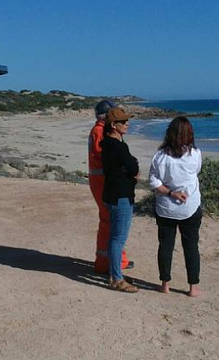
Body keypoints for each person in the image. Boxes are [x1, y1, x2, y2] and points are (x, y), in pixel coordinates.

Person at [148, 116, 203, 297]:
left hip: (166, 207)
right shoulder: (195, 154)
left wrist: (170, 192)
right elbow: (196, 171)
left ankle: (165, 284)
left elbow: (153, 181)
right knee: (191, 246)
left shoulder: (160, 155)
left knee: (165, 245)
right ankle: (193, 287)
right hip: (190, 205)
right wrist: (177, 192)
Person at [88, 100, 131, 275]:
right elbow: (107, 156)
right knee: (111, 222)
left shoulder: (98, 130)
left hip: (99, 179)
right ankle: (111, 262)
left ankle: (110, 260)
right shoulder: (100, 131)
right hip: (102, 181)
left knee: (109, 221)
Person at [100, 106, 140, 293]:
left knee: (115, 237)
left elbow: (129, 165)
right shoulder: (117, 145)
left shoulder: (107, 143)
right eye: (123, 122)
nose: (127, 124)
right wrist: (132, 170)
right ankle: (116, 278)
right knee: (118, 238)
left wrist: (130, 168)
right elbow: (132, 165)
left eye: (127, 121)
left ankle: (114, 272)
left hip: (112, 194)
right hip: (120, 196)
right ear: (113, 125)